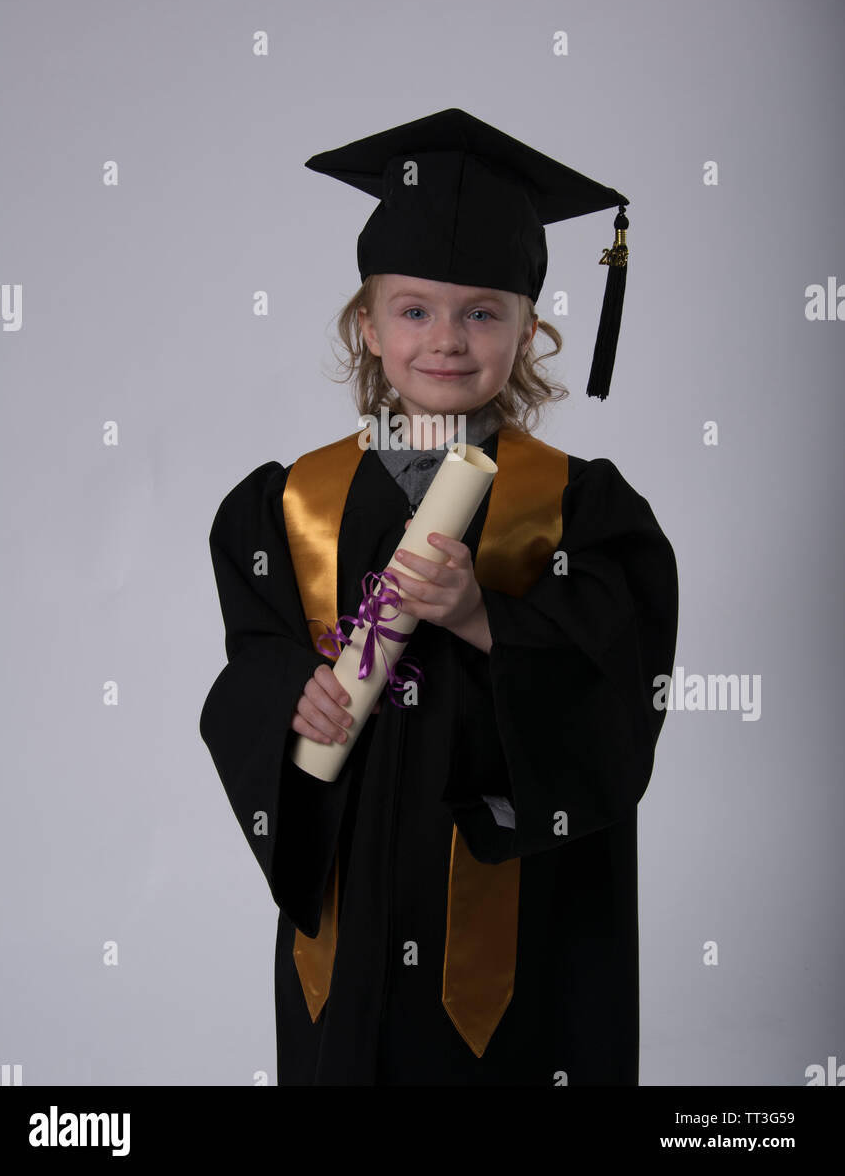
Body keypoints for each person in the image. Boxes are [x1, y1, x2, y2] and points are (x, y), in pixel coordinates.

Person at [200, 107, 679, 1086]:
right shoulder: (292, 500)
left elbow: (617, 691)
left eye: (481, 312)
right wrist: (294, 692)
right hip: (357, 856)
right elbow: (249, 662)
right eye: (413, 310)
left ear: (527, 329)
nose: (446, 340)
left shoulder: (576, 506)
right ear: (367, 327)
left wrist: (482, 615)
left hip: (509, 885)